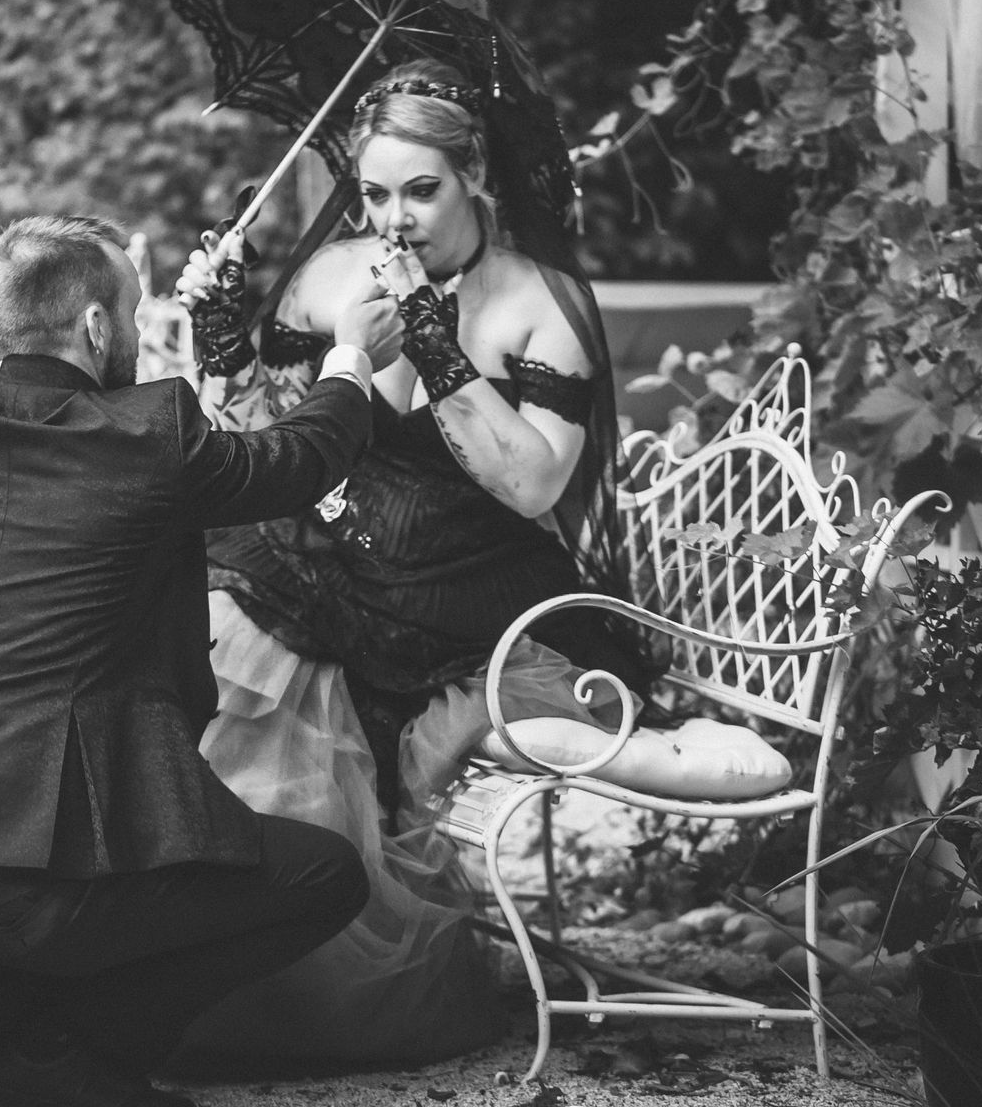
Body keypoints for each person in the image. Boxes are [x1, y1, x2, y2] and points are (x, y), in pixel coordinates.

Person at [0, 214, 407, 1107]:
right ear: (95, 327)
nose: (137, 328)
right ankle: (45, 1047)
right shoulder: (148, 434)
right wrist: (351, 357)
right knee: (324, 876)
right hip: (51, 880)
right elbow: (297, 459)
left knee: (76, 919)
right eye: (132, 309)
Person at [169, 60, 639, 1070]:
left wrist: (435, 342)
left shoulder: (536, 302)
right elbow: (268, 439)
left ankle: (293, 983)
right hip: (336, 555)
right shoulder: (332, 272)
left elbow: (534, 490)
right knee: (221, 642)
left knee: (299, 675)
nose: (392, 218)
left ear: (476, 173)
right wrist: (218, 332)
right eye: (375, 192)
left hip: (466, 584)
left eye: (420, 189)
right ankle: (155, 946)